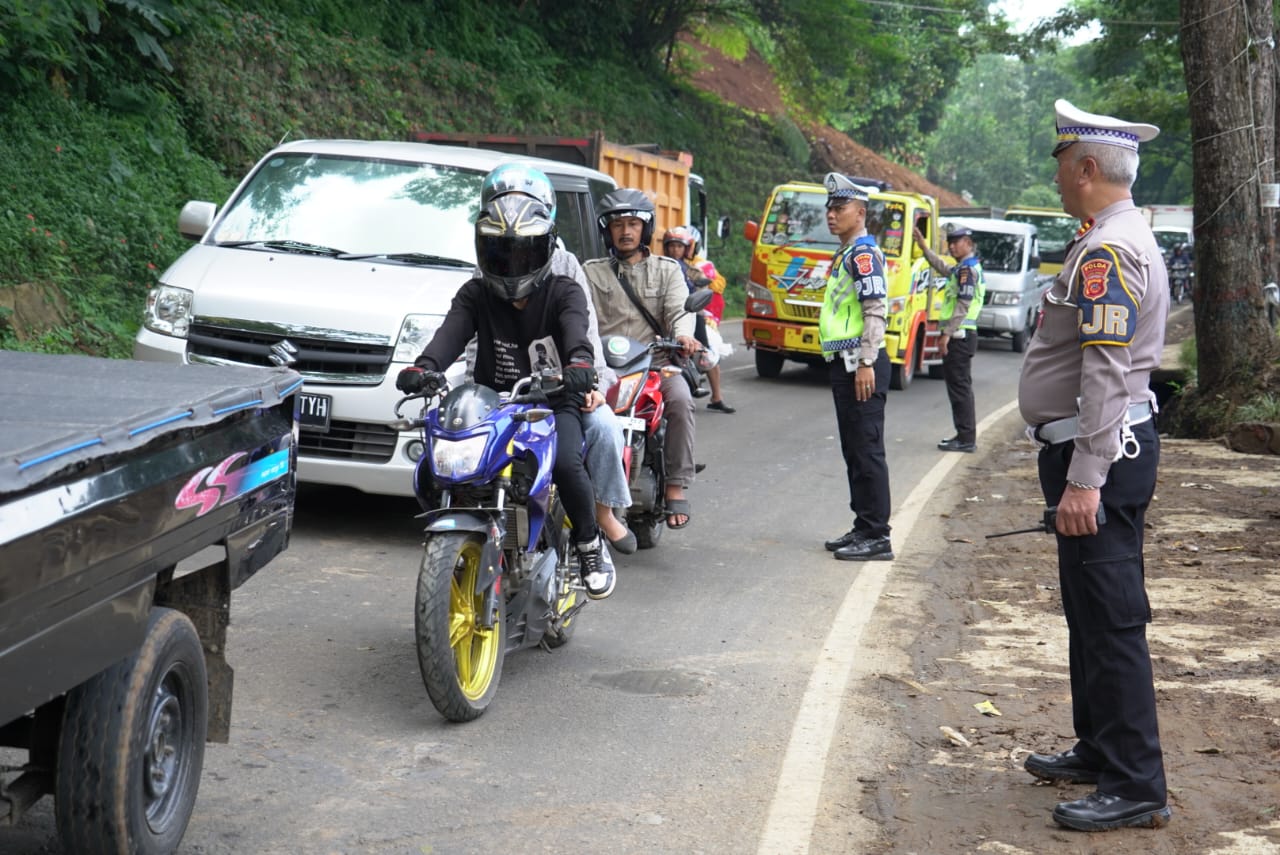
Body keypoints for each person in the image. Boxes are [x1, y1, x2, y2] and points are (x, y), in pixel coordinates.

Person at [1017, 99, 1171, 832]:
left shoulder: (1110, 250)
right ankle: (1101, 746)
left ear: (1085, 168)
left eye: (1059, 160)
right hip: (1093, 449)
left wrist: (1086, 477)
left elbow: (1107, 371)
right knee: (1088, 613)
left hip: (1100, 455)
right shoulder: (1109, 237)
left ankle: (1136, 781)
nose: (1054, 173)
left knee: (1111, 621)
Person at [395, 194, 616, 599]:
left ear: (546, 250)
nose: (511, 264)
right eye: (500, 252)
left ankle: (588, 544)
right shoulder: (475, 294)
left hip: (552, 398)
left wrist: (580, 367)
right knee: (434, 468)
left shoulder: (565, 291)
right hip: (489, 401)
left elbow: (576, 334)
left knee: (567, 464)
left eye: (523, 252)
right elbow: (450, 334)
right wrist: (425, 367)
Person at [474, 164, 636, 555]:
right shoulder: (482, 268)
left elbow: (585, 335)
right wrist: (470, 391)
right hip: (504, 392)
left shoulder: (566, 268)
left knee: (603, 429)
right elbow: (471, 341)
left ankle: (601, 514)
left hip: (564, 387)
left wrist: (592, 384)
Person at [583, 189, 698, 530]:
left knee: (680, 400)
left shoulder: (668, 271)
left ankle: (675, 485)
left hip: (654, 364)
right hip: (603, 368)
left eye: (633, 223)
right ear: (607, 231)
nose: (625, 231)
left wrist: (684, 335)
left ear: (646, 229)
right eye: (617, 224)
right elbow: (577, 314)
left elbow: (680, 310)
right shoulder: (591, 272)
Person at [817, 173, 893, 561]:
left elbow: (874, 310)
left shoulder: (863, 254)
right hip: (844, 365)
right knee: (854, 450)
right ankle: (863, 526)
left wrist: (866, 361)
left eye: (839, 208)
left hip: (861, 365)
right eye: (829, 208)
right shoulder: (847, 252)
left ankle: (878, 535)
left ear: (860, 212)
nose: (831, 214)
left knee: (867, 451)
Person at [914, 223, 986, 452]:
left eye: (956, 242)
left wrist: (945, 335)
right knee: (958, 387)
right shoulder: (962, 269)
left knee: (960, 389)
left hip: (959, 336)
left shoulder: (967, 271)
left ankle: (966, 439)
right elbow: (941, 266)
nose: (952, 246)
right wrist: (924, 247)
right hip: (960, 336)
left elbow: (963, 305)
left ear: (968, 243)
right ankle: (963, 435)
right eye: (950, 242)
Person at [685, 225, 736, 414]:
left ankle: (716, 397)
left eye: (682, 245)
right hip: (667, 315)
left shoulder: (696, 268)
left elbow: (713, 284)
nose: (677, 250)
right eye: (671, 246)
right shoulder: (663, 264)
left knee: (705, 352)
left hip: (691, 314)